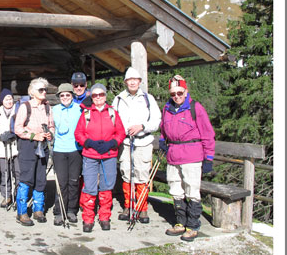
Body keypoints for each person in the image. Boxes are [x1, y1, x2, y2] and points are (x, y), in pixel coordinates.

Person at [159, 75, 215, 242]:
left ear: (186, 91)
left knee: (192, 190)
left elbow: (208, 133)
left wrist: (209, 157)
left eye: (180, 93)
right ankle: (180, 223)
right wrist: (163, 141)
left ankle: (192, 225)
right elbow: (164, 128)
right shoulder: (167, 108)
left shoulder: (195, 108)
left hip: (192, 154)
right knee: (175, 189)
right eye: (173, 93)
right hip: (173, 154)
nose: (176, 96)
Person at [112, 67, 162, 224]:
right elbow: (113, 119)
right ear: (125, 82)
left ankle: (142, 207)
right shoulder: (118, 99)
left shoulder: (148, 99)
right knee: (126, 173)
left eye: (135, 79)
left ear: (140, 81)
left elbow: (156, 121)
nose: (132, 82)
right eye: (129, 79)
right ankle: (128, 206)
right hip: (126, 142)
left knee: (142, 174)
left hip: (143, 141)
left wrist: (142, 126)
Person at [75, 83, 126, 232]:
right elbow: (78, 133)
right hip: (90, 154)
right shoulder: (86, 114)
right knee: (89, 187)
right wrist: (89, 142)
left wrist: (112, 143)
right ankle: (88, 218)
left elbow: (121, 133)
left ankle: (104, 217)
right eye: (95, 95)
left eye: (101, 95)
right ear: (92, 96)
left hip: (108, 155)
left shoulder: (112, 113)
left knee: (106, 186)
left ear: (105, 96)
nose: (98, 98)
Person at [13, 78, 55, 226]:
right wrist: (33, 135)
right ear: (32, 93)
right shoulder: (25, 107)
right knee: (26, 178)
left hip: (42, 146)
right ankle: (22, 212)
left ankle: (38, 210)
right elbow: (18, 128)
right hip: (28, 146)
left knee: (40, 178)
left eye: (45, 89)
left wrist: (50, 134)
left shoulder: (47, 107)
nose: (44, 92)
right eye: (41, 90)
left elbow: (51, 126)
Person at [51, 83, 82, 226]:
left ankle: (71, 210)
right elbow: (51, 126)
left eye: (67, 95)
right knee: (61, 182)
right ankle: (59, 211)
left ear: (72, 96)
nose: (65, 97)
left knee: (74, 182)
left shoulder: (79, 109)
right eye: (62, 95)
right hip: (59, 150)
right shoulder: (54, 110)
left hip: (75, 149)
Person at [0, 88, 19, 208]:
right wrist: (0, 136)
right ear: (2, 101)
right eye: (6, 99)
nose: (9, 101)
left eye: (10, 98)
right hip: (3, 147)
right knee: (5, 172)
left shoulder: (18, 110)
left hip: (16, 147)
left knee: (18, 172)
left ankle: (18, 195)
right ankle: (7, 196)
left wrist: (15, 134)